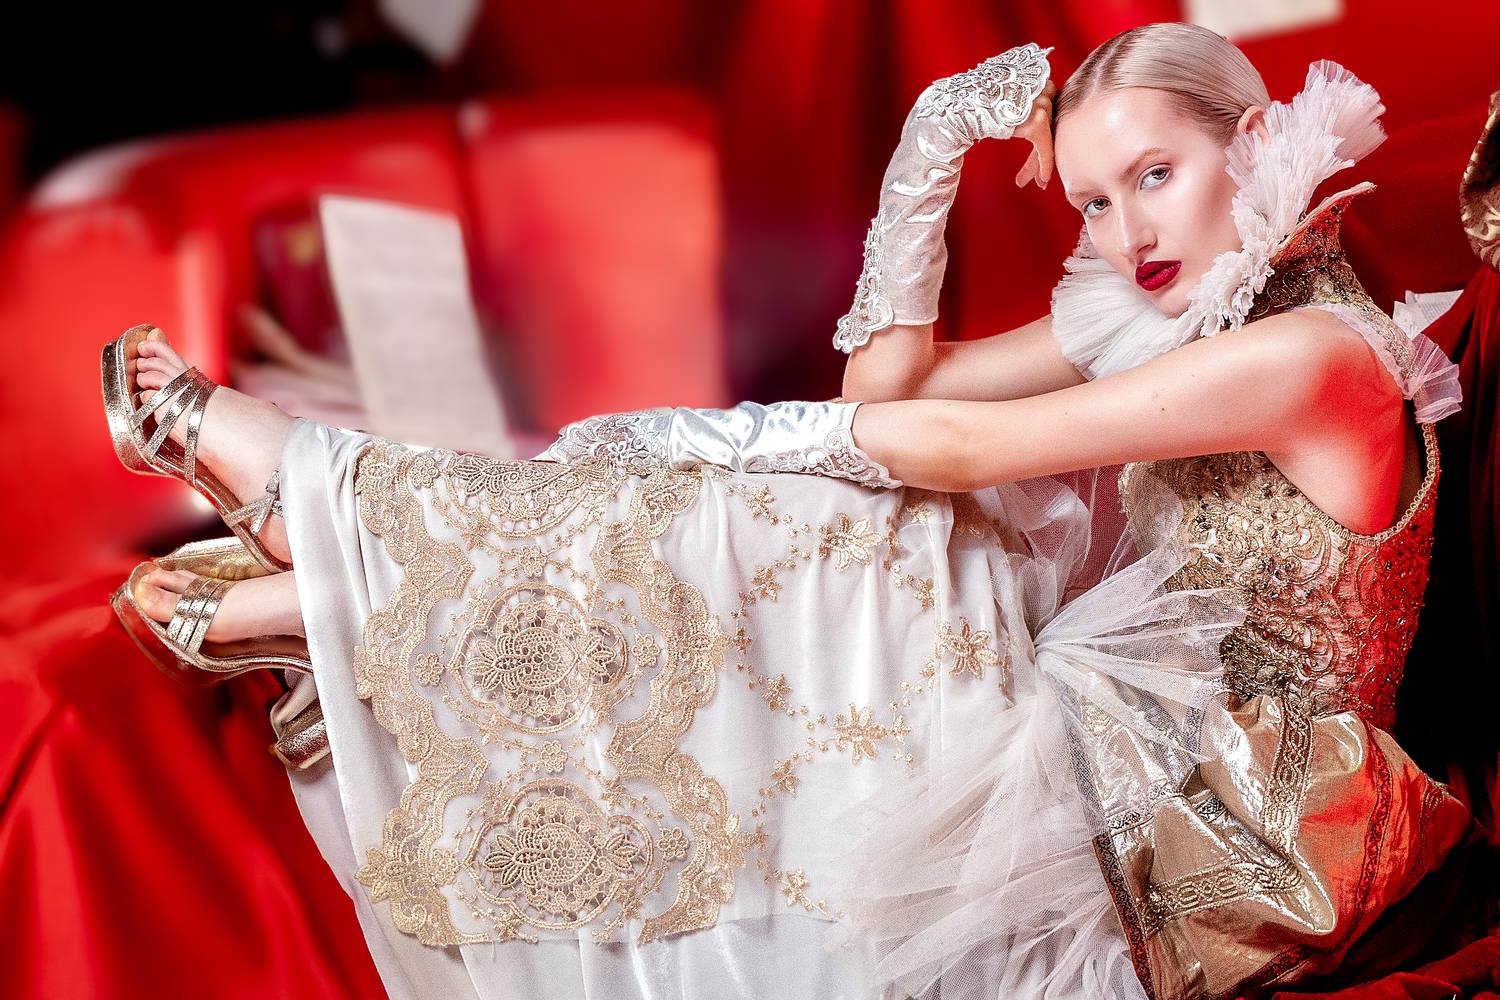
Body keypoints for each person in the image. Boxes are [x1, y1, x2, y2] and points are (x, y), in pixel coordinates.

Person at [100, 22, 1473, 1000]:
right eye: (1096, 200)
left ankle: (346, 548)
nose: (1127, 235)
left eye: (1155, 178)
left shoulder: (1311, 360)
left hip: (1238, 813)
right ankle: (354, 556)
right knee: (843, 531)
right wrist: (932, 147)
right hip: (1139, 725)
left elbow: (951, 444)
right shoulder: (1169, 303)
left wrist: (720, 449)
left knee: (865, 527)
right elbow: (891, 387)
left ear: (1252, 139)